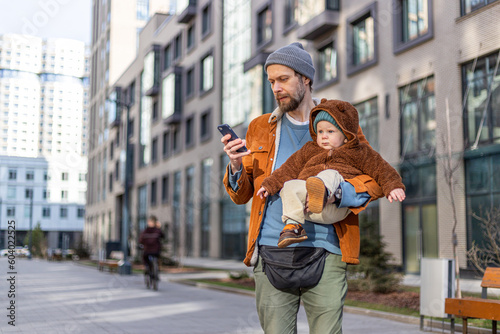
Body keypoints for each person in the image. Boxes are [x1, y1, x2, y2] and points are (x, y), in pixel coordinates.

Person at [221, 42, 385, 334]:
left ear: (305, 78)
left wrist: (337, 194)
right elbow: (242, 194)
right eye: (271, 81)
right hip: (271, 250)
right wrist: (235, 165)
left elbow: (372, 179)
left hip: (327, 249)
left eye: (283, 79)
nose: (276, 88)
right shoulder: (259, 127)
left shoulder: (339, 122)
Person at [256, 98, 406, 248]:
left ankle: (322, 192)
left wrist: (393, 186)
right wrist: (269, 185)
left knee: (330, 174)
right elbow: (288, 168)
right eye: (320, 131)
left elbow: (381, 168)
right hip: (306, 209)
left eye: (330, 131)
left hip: (333, 208)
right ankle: (293, 226)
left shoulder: (359, 152)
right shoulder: (310, 149)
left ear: (346, 134)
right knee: (289, 185)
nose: (324, 136)